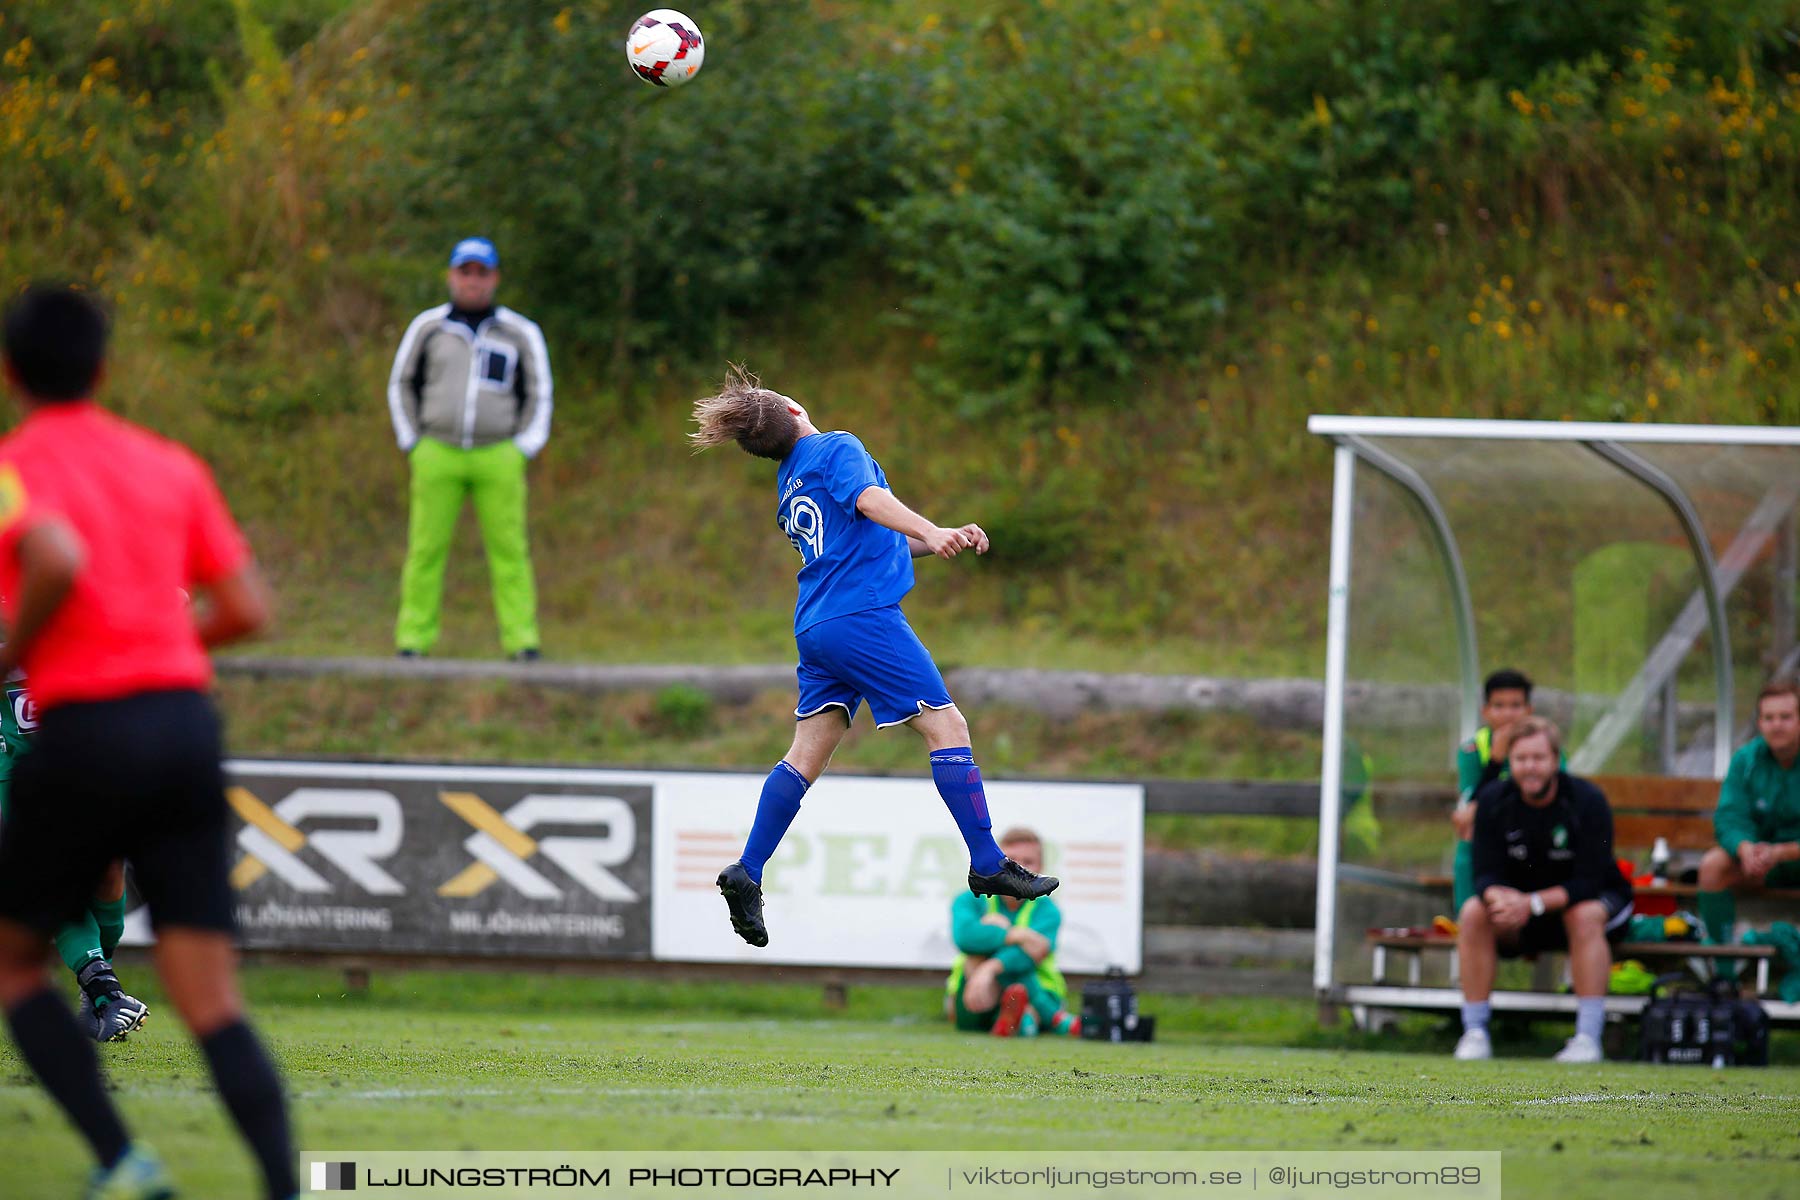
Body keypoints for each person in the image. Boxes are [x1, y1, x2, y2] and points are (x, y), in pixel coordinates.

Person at [0, 284, 295, 1199]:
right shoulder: (170, 464)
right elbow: (248, 608)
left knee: (13, 962)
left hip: (84, 725)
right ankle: (284, 1188)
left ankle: (122, 1161)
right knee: (211, 998)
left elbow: (53, 557)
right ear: (104, 368)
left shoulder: (13, 468)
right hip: (183, 725)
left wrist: (20, 650)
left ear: (13, 374)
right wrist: (157, 645)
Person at [688, 365, 1057, 946]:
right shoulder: (834, 447)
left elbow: (869, 537)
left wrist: (936, 538)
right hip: (861, 616)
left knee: (806, 755)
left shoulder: (791, 480)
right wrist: (932, 528)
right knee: (947, 724)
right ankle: (988, 860)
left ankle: (748, 869)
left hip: (816, 624)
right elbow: (870, 499)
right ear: (791, 411)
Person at [387, 236, 552, 661]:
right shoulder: (428, 328)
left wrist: (524, 447)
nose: (473, 281)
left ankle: (522, 641)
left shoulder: (520, 332)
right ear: (452, 275)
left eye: (482, 272)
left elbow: (539, 391)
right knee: (425, 549)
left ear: (494, 278)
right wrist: (413, 442)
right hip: (436, 452)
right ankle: (413, 640)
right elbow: (402, 383)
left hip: (499, 455)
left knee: (510, 550)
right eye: (466, 271)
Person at [1454, 716, 1633, 1064]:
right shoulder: (1492, 800)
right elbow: (1484, 873)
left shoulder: (1588, 800)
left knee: (1583, 915)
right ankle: (1474, 1033)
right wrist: (1500, 899)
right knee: (1474, 912)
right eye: (1521, 760)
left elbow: (1589, 881)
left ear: (1555, 759)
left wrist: (1532, 903)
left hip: (1587, 903)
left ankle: (1587, 1038)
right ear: (1511, 763)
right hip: (1523, 912)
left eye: (1538, 759)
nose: (1529, 768)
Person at [0, 666, 150, 1042]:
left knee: (106, 871)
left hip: (83, 730)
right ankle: (106, 992)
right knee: (49, 870)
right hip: (10, 748)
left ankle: (97, 994)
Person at [1696, 678, 1800, 969]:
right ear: (1759, 722)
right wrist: (1745, 849)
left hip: (1791, 858)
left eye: (1785, 717)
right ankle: (1722, 968)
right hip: (1762, 864)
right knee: (1713, 865)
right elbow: (1730, 816)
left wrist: (1781, 852)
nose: (1776, 725)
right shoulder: (1746, 759)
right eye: (1768, 718)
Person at [945, 827, 1082, 1037]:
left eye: (1028, 862)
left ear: (1040, 868)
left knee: (1015, 983)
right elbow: (964, 937)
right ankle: (1046, 1019)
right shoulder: (967, 899)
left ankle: (1018, 1019)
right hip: (975, 993)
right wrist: (1015, 935)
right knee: (976, 962)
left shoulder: (1048, 910)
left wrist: (990, 967)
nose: (1019, 869)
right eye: (1012, 862)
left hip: (1036, 990)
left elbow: (1034, 954)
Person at [1451, 669, 1536, 914]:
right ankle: (1466, 914)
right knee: (1468, 823)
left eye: (1516, 705)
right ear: (1485, 711)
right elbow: (1470, 803)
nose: (1508, 713)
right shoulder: (1472, 750)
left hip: (1534, 827)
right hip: (1494, 830)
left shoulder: (1544, 745)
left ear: (1528, 710)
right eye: (1499, 706)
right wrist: (1496, 761)